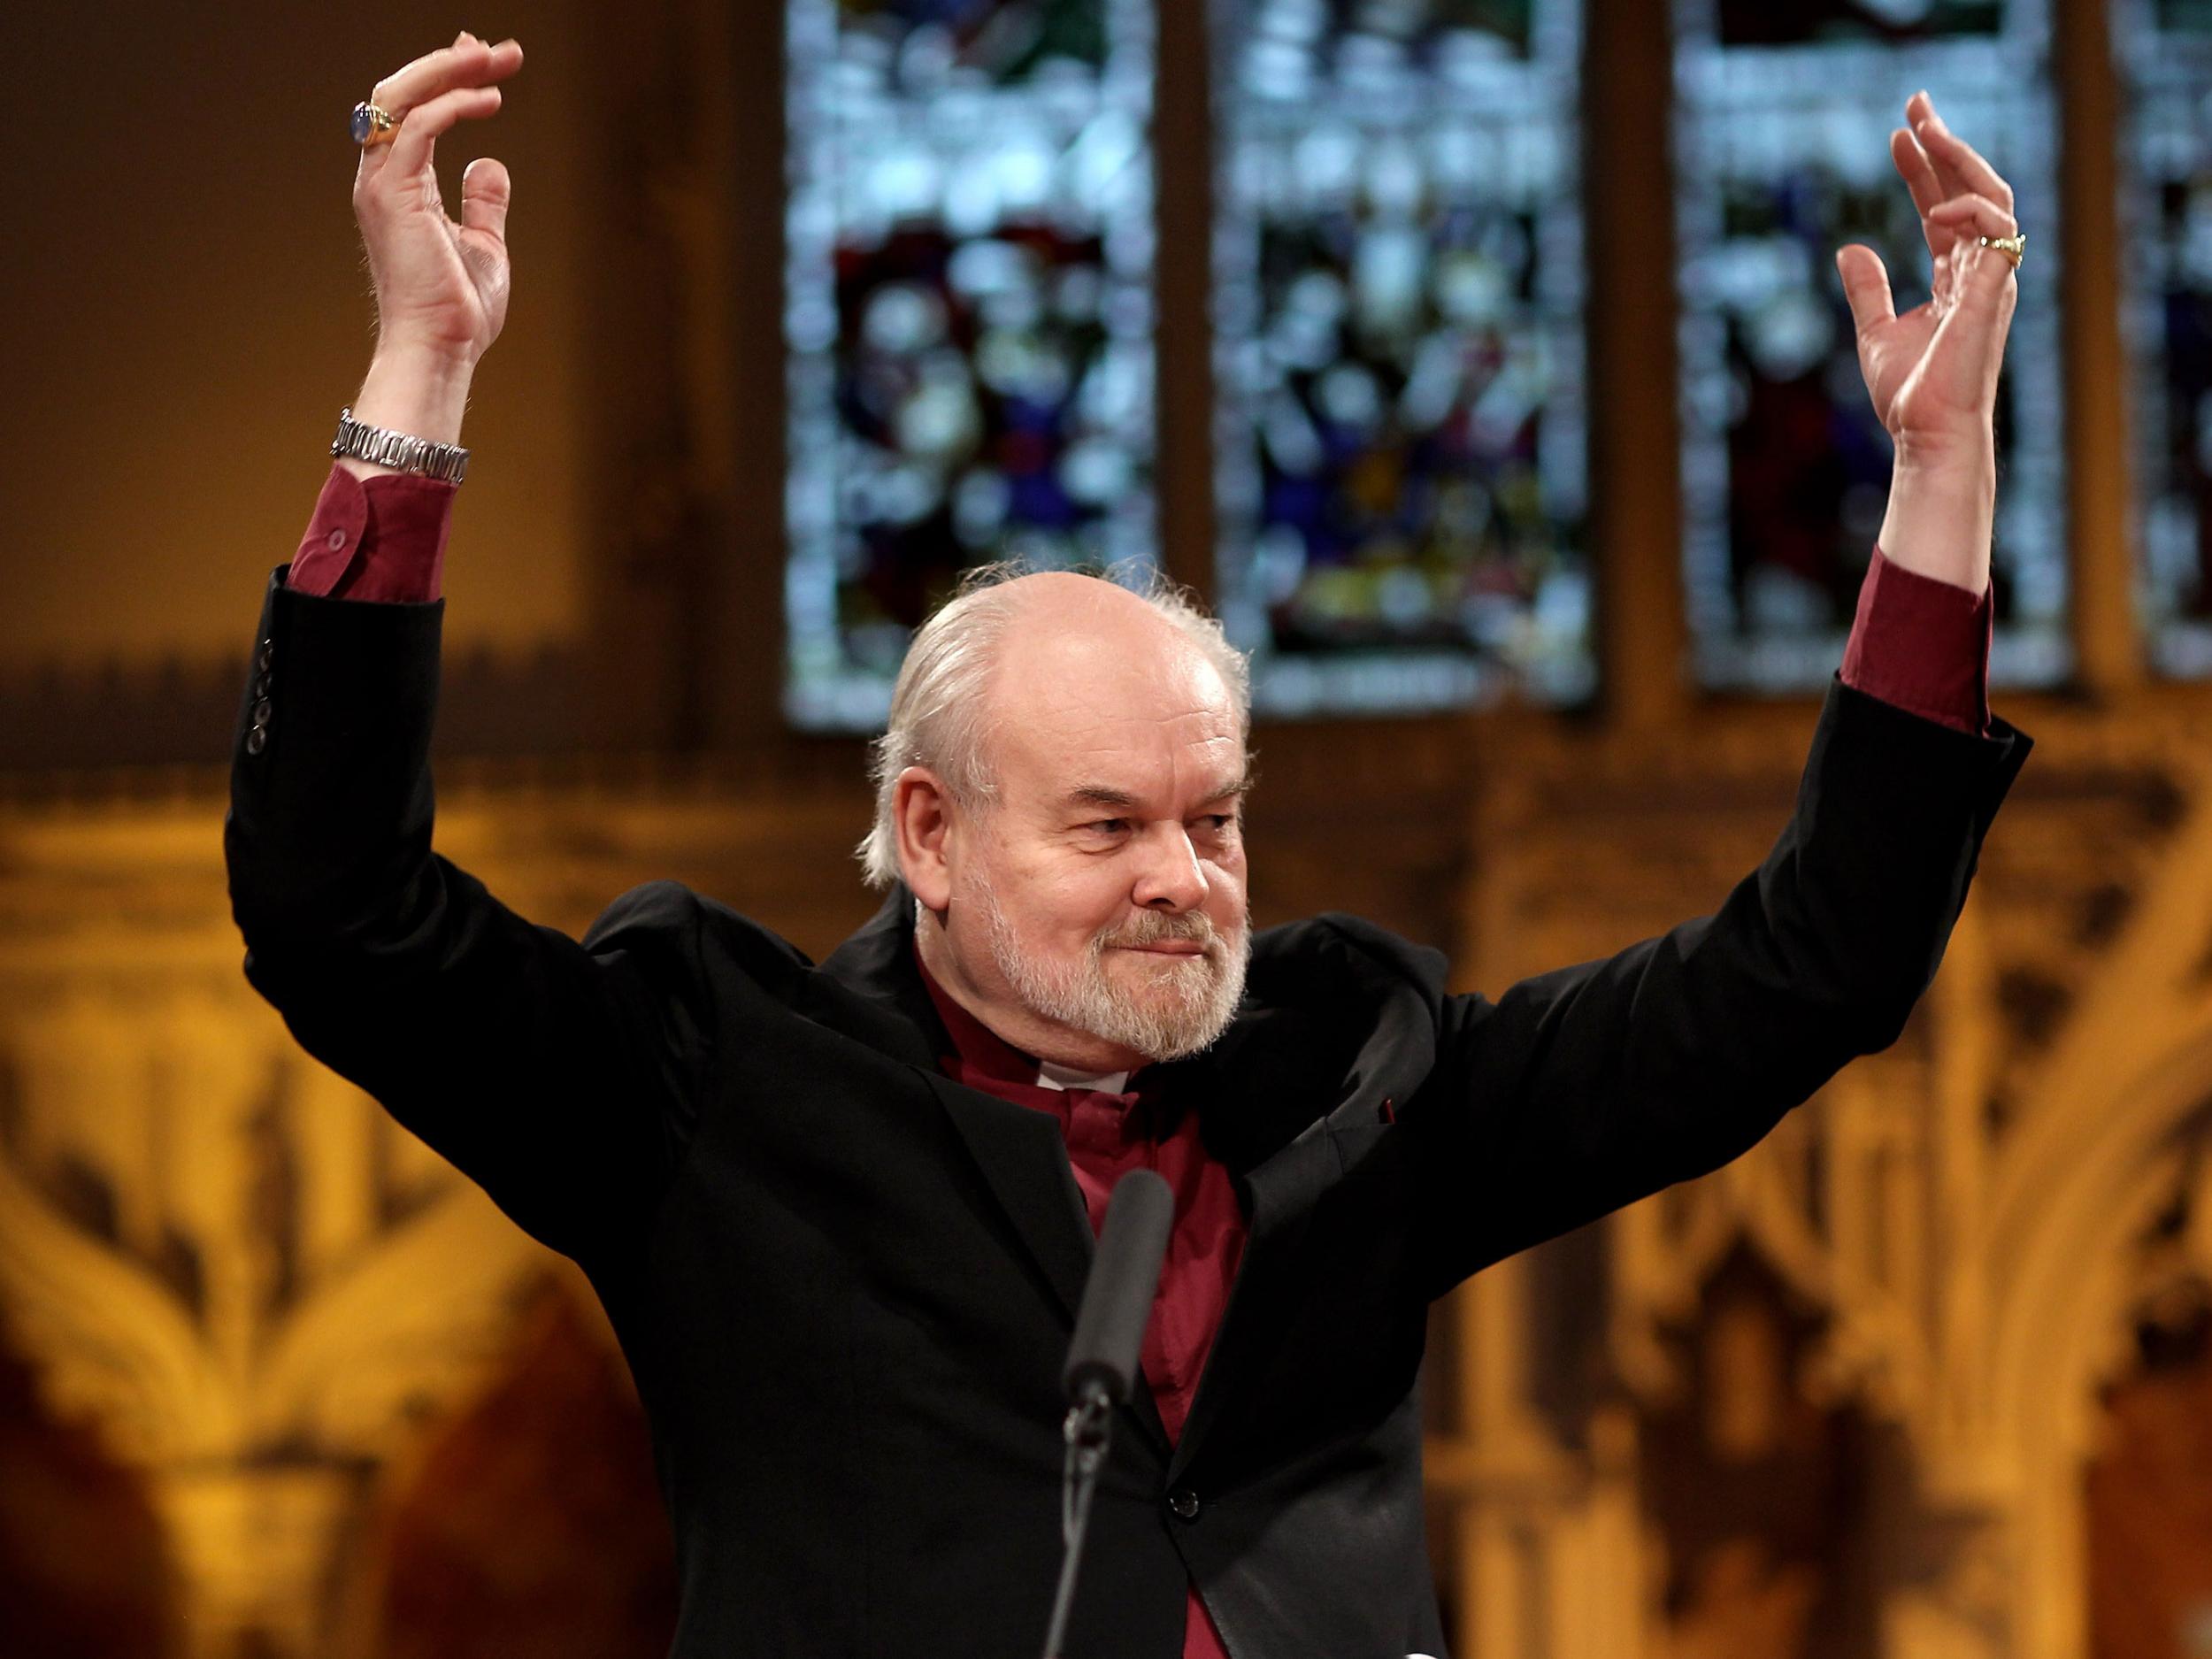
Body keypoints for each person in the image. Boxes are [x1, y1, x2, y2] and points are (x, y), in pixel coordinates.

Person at [225, 32, 2032, 1659]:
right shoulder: (713, 1090)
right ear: (926, 831)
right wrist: (417, 379)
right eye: (1108, 823)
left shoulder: (1364, 1075)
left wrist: (1937, 478)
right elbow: (334, 913)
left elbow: (1817, 961)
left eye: (1213, 816)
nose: (1185, 875)